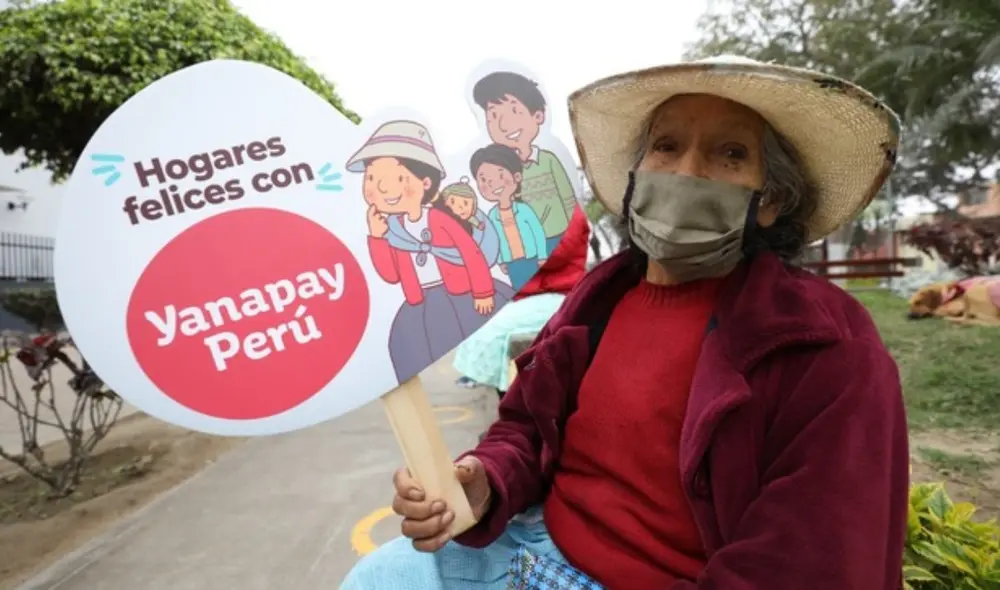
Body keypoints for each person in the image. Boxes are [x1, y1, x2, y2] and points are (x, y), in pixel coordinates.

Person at [343, 56, 909, 589]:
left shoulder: (824, 346)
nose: (687, 172)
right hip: (529, 545)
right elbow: (524, 429)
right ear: (636, 174)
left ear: (770, 200)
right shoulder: (600, 298)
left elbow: (812, 563)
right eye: (666, 145)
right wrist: (486, 480)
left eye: (729, 154)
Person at [345, 120, 515, 384]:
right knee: (407, 349)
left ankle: (501, 382)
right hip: (420, 303)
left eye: (396, 179)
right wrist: (376, 238)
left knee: (493, 339)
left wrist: (483, 292)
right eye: (371, 179)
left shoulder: (439, 218)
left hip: (462, 295)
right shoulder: (394, 230)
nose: (381, 188)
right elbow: (391, 275)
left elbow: (471, 254)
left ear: (425, 182)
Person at [451, 206, 591, 395]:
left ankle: (514, 402)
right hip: (527, 298)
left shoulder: (565, 208)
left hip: (560, 297)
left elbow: (557, 254)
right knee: (474, 319)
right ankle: (510, 401)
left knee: (491, 331)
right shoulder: (516, 209)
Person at [472, 71, 577, 255]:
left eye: (514, 111)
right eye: (493, 117)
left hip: (560, 238)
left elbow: (569, 200)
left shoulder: (548, 160)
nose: (504, 125)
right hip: (527, 246)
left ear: (538, 116)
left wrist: (575, 235)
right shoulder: (501, 173)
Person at [470, 143, 548, 292]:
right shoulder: (492, 216)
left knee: (541, 288)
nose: (493, 183)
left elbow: (537, 231)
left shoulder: (524, 210)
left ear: (517, 176)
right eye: (484, 180)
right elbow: (495, 240)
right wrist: (500, 261)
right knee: (521, 291)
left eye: (500, 175)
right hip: (512, 263)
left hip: (531, 258)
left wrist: (542, 255)